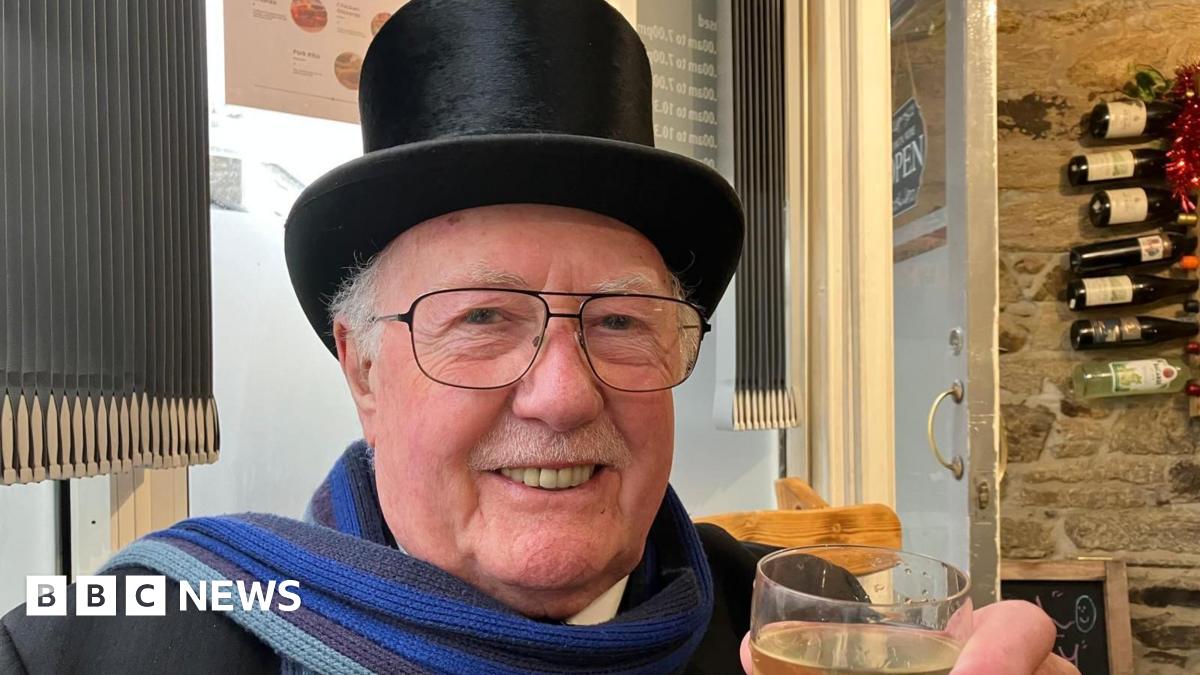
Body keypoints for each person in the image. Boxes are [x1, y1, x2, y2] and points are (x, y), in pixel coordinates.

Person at [2, 1, 1076, 673]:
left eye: (618, 320)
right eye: (479, 318)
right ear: (361, 368)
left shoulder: (799, 624)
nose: (561, 396)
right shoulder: (110, 642)